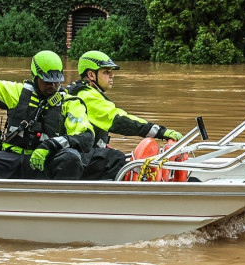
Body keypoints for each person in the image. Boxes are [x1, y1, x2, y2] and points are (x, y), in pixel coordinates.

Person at [0, 20, 94, 180]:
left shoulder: (70, 103)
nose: (53, 85)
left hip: (46, 162)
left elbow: (85, 136)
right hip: (12, 160)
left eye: (56, 81)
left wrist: (49, 146)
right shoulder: (15, 92)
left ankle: (56, 202)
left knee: (71, 159)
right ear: (35, 77)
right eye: (47, 81)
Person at [66, 50, 183, 180]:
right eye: (106, 72)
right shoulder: (86, 96)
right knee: (116, 159)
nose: (111, 76)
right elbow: (119, 120)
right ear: (91, 75)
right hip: (76, 159)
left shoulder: (82, 91)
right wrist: (161, 131)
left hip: (77, 156)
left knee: (112, 157)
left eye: (111, 72)